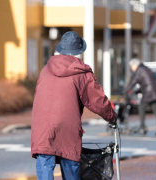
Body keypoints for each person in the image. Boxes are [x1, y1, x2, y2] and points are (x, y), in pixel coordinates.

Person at [31, 31, 117, 180]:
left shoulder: (45, 70)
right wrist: (112, 117)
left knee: (45, 163)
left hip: (42, 126)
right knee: (70, 162)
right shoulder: (81, 72)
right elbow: (97, 100)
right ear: (79, 51)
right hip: (67, 126)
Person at [122, 59, 156, 136]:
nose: (131, 68)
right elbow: (146, 80)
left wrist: (124, 90)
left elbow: (133, 82)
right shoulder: (145, 68)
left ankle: (142, 127)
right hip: (155, 91)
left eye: (131, 66)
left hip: (149, 92)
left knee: (141, 107)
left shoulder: (139, 70)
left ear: (134, 65)